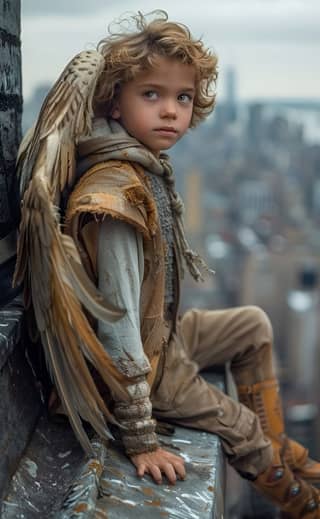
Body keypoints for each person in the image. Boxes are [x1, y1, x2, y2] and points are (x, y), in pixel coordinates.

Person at [15, 10, 320, 518]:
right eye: (151, 95)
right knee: (241, 427)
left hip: (164, 338)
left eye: (182, 97)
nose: (170, 112)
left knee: (253, 325)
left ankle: (285, 450)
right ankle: (302, 502)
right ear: (114, 98)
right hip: (141, 372)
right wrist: (140, 438)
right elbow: (117, 325)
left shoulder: (141, 165)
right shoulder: (115, 196)